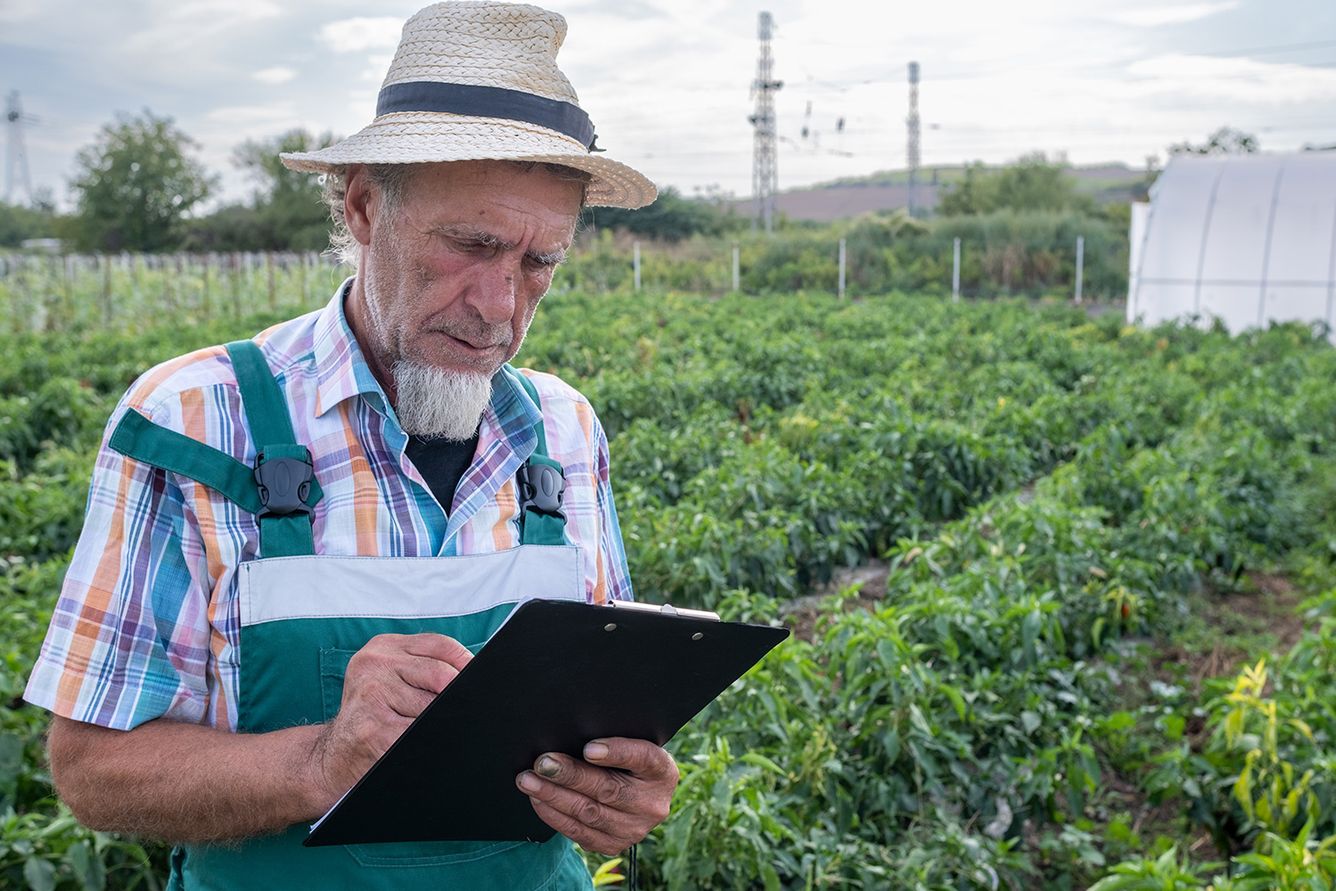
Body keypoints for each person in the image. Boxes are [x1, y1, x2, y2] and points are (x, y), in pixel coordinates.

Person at [23, 3, 678, 888]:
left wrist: (614, 797)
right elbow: (92, 769)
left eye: (538, 263)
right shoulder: (195, 419)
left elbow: (603, 724)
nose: (499, 305)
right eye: (472, 244)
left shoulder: (564, 433)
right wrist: (318, 761)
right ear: (366, 206)